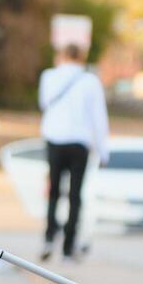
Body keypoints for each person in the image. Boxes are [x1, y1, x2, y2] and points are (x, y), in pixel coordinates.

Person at [39, 44, 109, 262]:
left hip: (54, 139)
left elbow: (43, 104)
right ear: (81, 57)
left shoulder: (49, 76)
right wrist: (103, 150)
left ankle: (49, 237)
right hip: (79, 142)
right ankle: (68, 247)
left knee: (53, 191)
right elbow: (99, 117)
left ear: (61, 55)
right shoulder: (90, 81)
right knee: (75, 195)